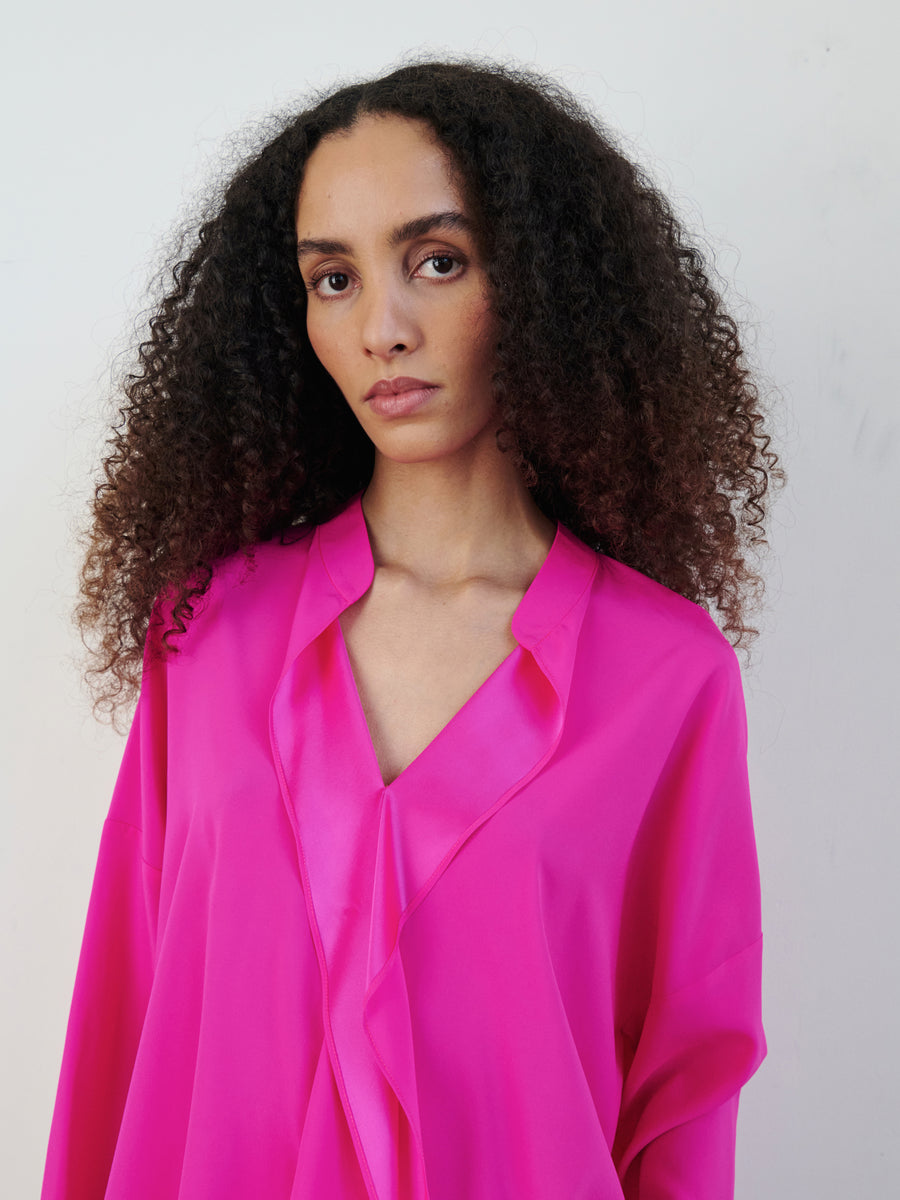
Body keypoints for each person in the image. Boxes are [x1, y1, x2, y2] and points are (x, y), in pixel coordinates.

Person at [42, 58, 779, 1199]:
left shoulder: (666, 676)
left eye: (437, 262)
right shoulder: (206, 635)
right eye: (332, 279)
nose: (382, 327)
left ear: (539, 287)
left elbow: (682, 1099)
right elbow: (120, 1027)